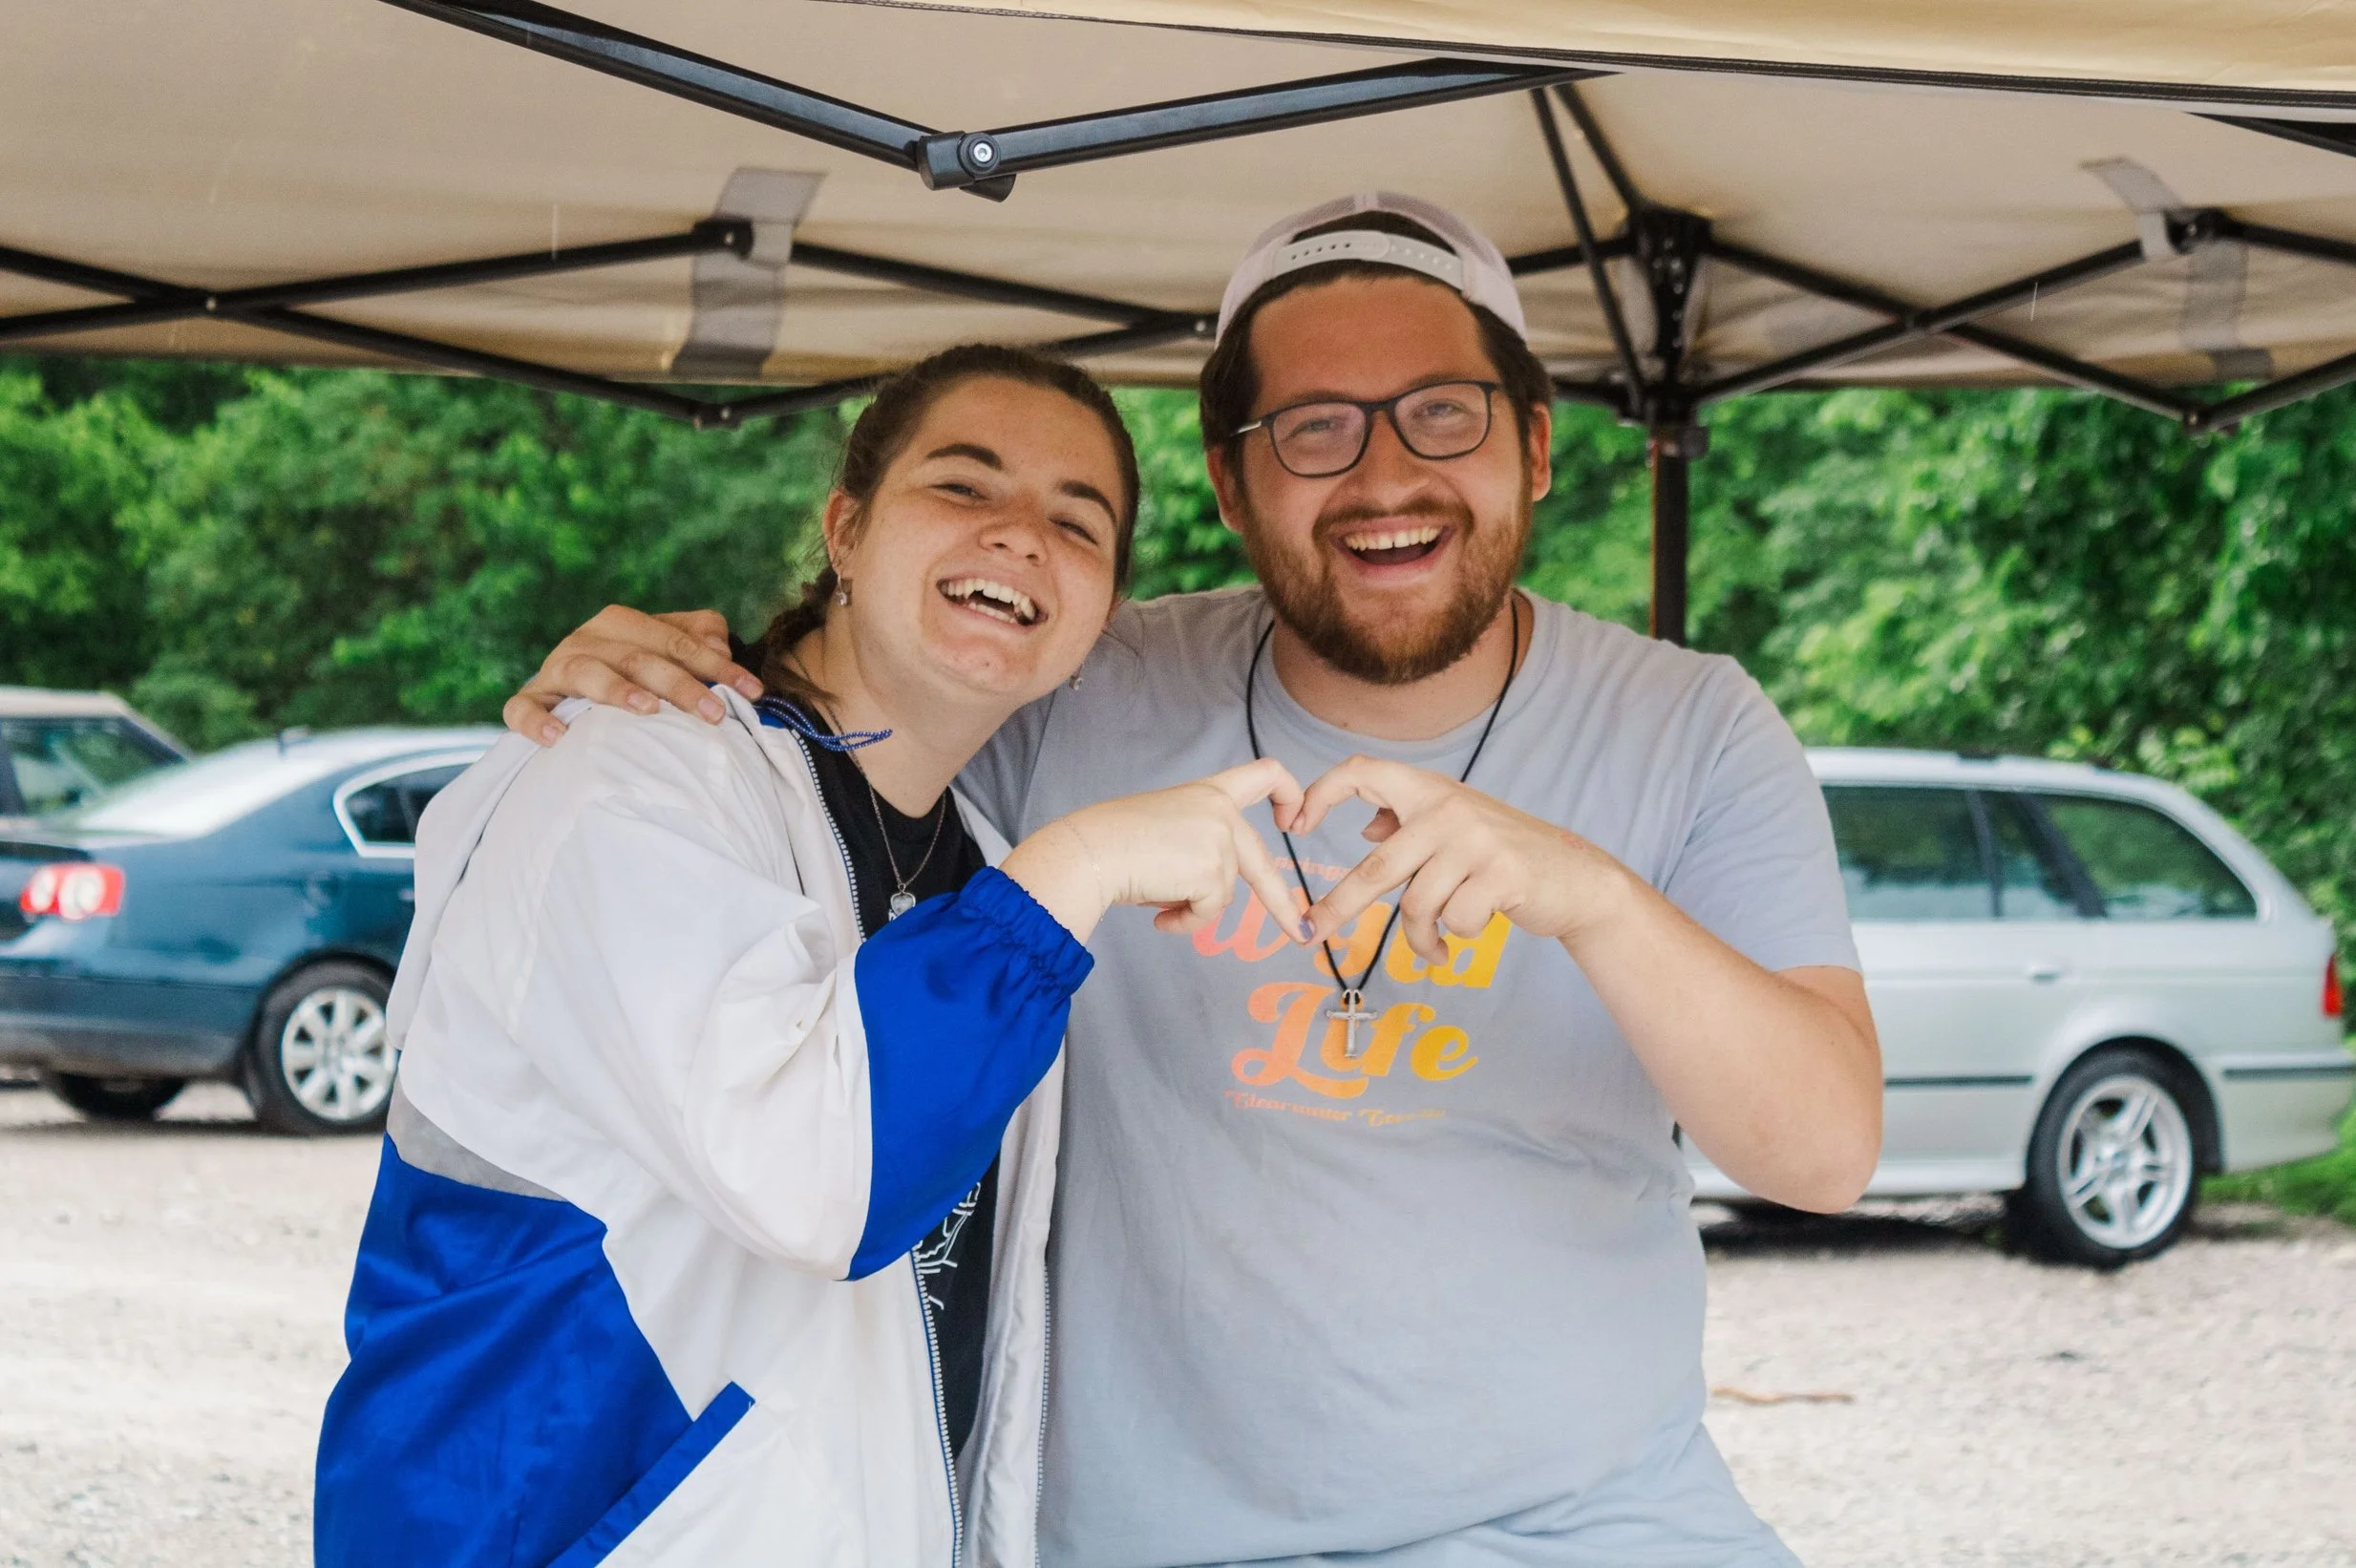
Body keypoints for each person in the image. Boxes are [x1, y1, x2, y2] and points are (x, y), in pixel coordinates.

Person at [506, 195, 1884, 1566]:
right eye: (1314, 428)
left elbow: (1819, 1154)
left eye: (1443, 413)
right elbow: (864, 693)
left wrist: (1594, 896)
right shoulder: (1090, 681)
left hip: (1596, 1526)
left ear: (1531, 445)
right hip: (1150, 1537)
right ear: (1233, 485)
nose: (1386, 474)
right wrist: (674, 664)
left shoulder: (1693, 721)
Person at [312, 344, 1310, 1568]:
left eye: (1077, 520)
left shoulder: (977, 856)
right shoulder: (634, 781)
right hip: (556, 1523)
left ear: (1101, 610)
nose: (1019, 536)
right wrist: (1084, 863)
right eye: (963, 485)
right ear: (845, 529)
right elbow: (821, 1176)